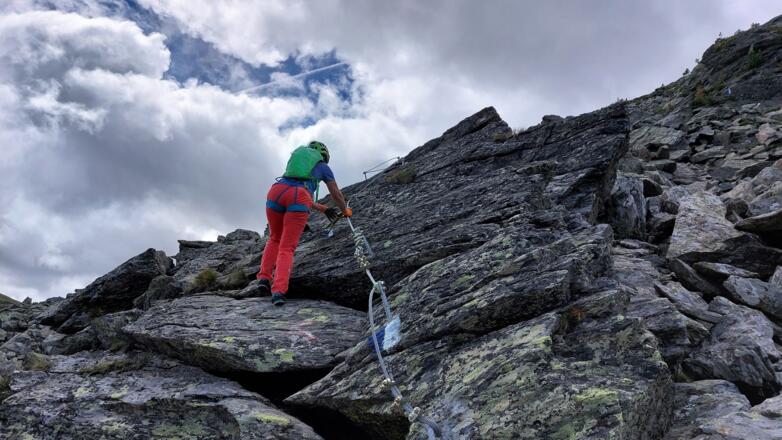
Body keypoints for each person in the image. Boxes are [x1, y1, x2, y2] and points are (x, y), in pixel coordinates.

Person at [257, 141, 352, 305]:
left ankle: (264, 279)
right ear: (324, 155)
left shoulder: (297, 160)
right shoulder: (323, 167)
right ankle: (278, 291)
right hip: (299, 197)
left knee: (274, 239)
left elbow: (291, 188)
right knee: (287, 248)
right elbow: (334, 193)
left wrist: (322, 208)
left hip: (276, 191)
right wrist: (345, 210)